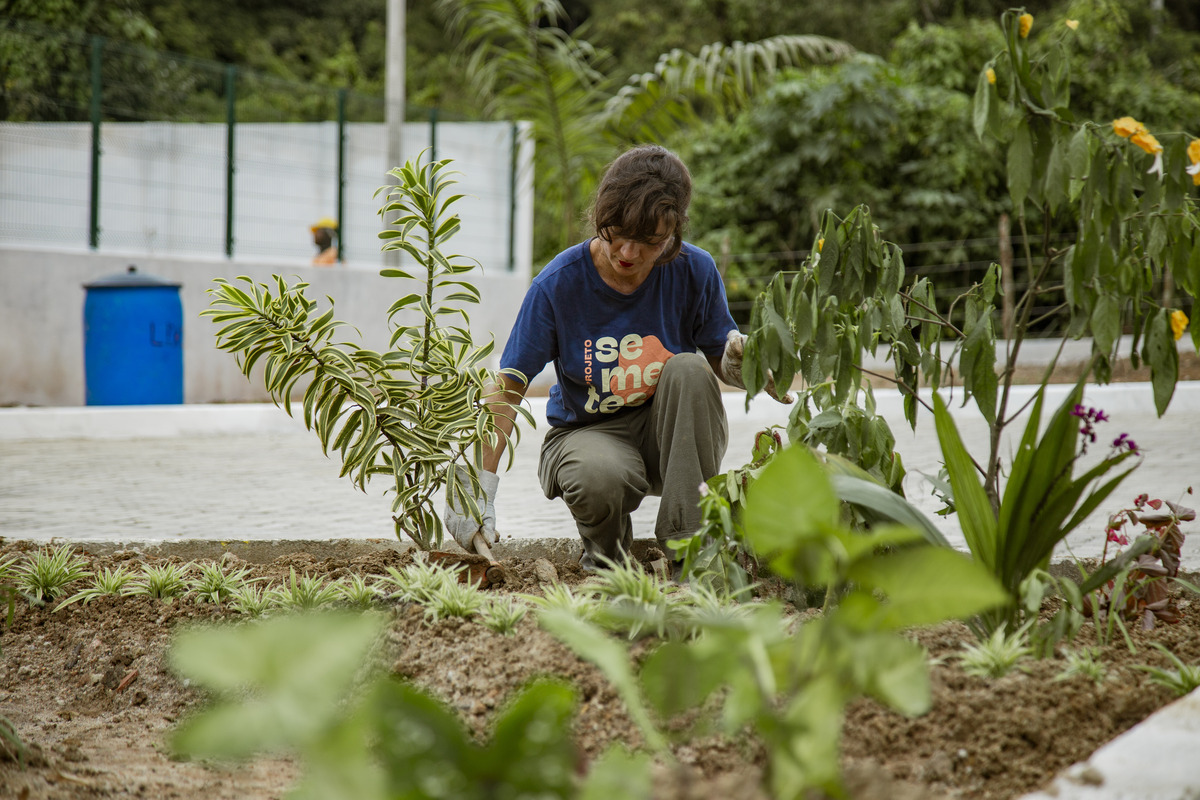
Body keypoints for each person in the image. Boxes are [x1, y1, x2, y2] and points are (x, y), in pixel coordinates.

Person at [444, 144, 790, 573]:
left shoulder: (694, 270)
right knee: (596, 475)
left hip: (669, 438)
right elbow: (509, 385)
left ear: (673, 232)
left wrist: (745, 366)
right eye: (616, 233)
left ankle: (692, 553)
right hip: (587, 437)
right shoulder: (558, 284)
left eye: (648, 242)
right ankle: (606, 560)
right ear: (599, 218)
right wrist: (476, 489)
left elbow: (722, 355)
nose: (627, 253)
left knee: (689, 368)